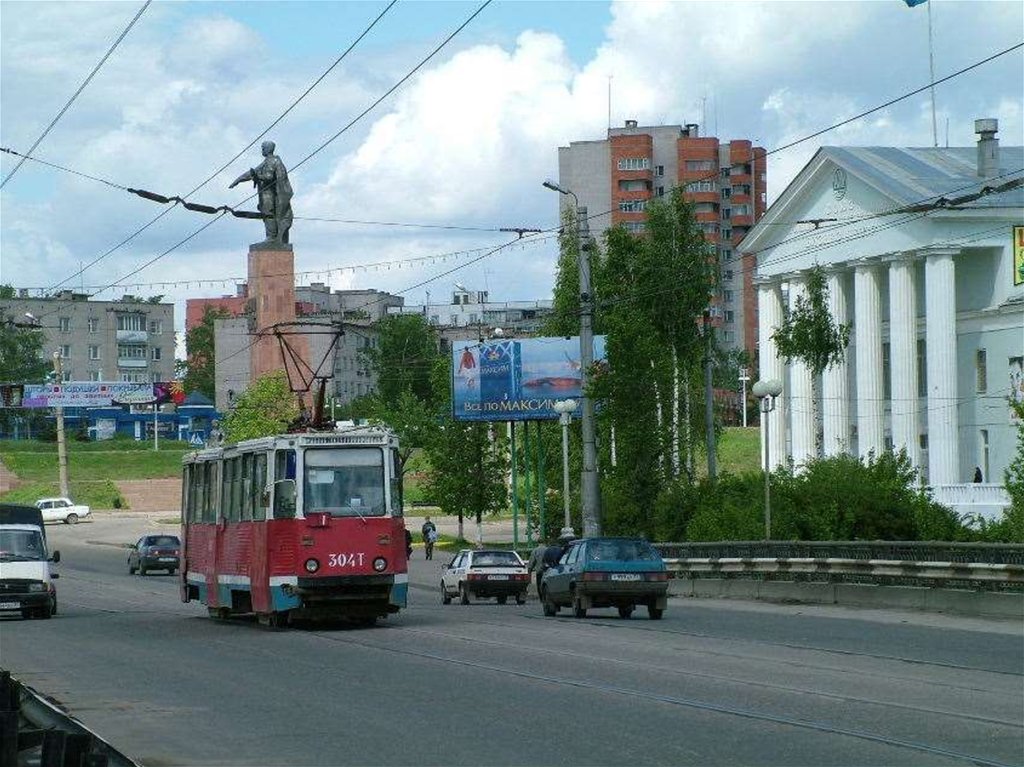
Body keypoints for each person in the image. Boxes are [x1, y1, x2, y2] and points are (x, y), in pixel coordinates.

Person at [229, 140, 294, 245]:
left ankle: (272, 237)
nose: (262, 150)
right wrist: (238, 180)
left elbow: (269, 176)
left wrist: (257, 176)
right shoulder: (267, 161)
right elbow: (251, 173)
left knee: (268, 213)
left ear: (268, 149)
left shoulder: (273, 161)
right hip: (266, 194)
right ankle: (271, 236)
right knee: (266, 213)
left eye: (263, 148)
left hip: (270, 194)